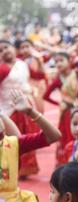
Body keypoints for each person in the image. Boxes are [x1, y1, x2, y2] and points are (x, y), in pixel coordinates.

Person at [43, 52, 78, 166]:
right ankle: (68, 162)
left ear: (69, 62)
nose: (58, 63)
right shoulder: (58, 80)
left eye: (61, 60)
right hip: (67, 113)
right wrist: (60, 103)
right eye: (56, 61)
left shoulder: (76, 74)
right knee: (67, 138)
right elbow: (45, 96)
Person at [0, 40, 41, 177]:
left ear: (13, 48)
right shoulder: (2, 68)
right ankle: (10, 170)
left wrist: (38, 59)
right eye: (1, 50)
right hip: (8, 109)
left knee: (26, 140)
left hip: (25, 107)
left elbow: (39, 75)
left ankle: (25, 169)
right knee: (10, 142)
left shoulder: (22, 64)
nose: (5, 51)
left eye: (7, 47)